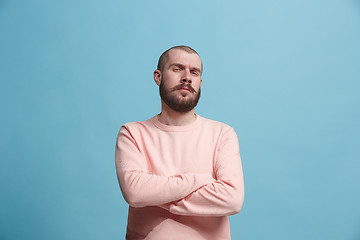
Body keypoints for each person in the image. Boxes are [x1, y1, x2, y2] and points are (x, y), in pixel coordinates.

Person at [115, 45, 245, 240]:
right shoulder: (132, 133)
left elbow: (232, 200)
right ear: (158, 77)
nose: (187, 77)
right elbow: (135, 192)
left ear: (200, 82)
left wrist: (155, 195)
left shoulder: (222, 134)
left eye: (194, 72)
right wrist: (200, 180)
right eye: (177, 69)